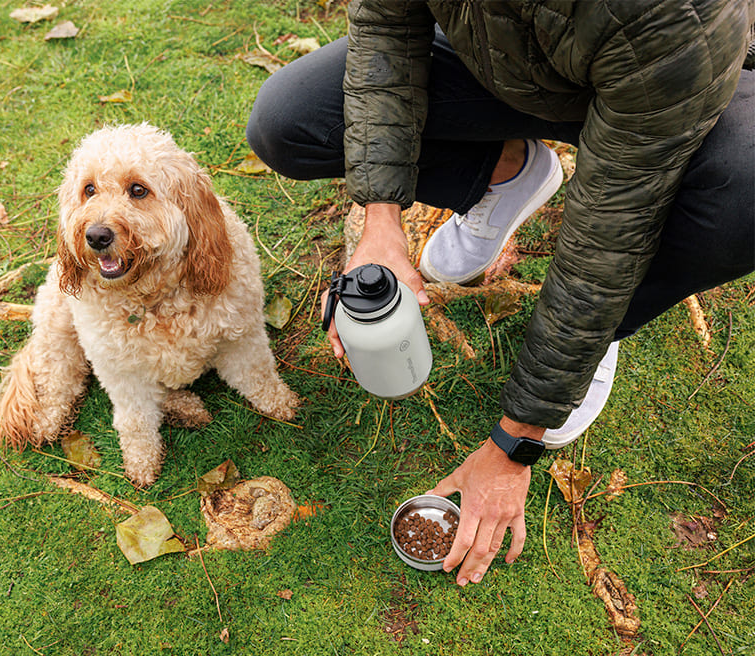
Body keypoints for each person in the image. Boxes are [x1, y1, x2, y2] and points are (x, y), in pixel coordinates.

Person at [247, 1, 755, 587]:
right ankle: (504, 172)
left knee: (741, 195)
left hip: (680, 80)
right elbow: (386, 34)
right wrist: (379, 222)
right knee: (290, 120)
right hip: (510, 56)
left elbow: (609, 232)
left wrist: (518, 441)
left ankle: (609, 324)